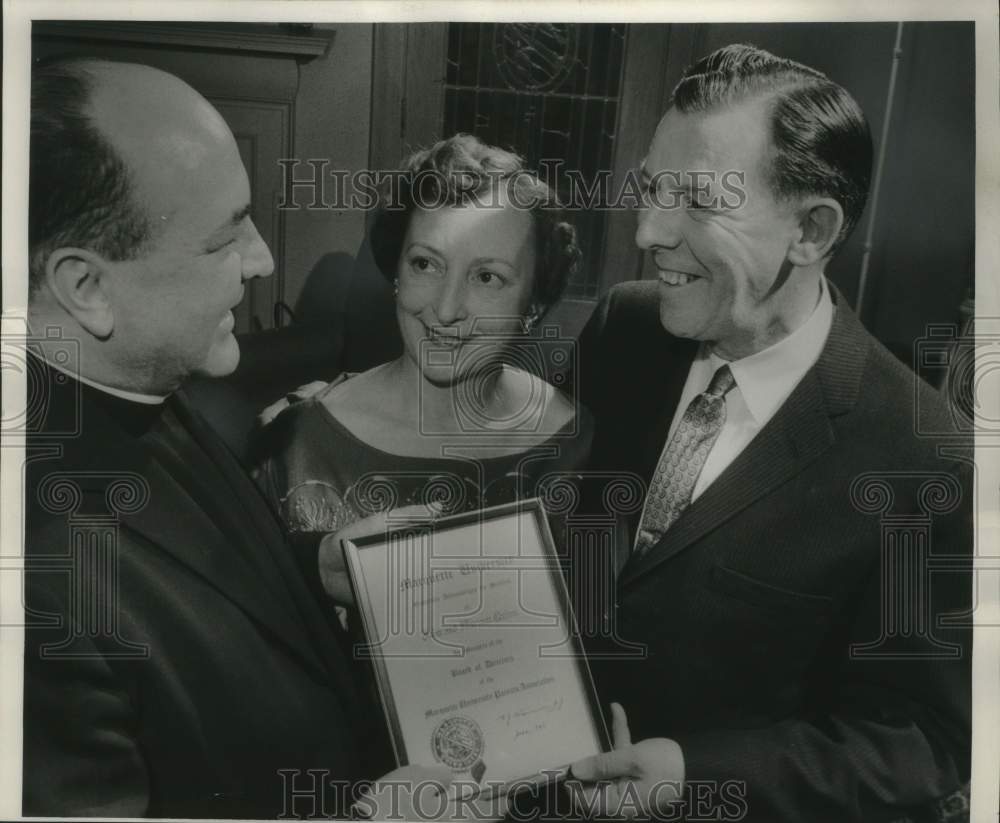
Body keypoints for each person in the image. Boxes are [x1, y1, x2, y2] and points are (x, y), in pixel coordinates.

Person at [23, 57, 454, 819]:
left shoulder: (134, 373)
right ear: (85, 288)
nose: (261, 260)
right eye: (225, 239)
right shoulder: (28, 582)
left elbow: (182, 564)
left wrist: (316, 565)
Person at [567, 44, 973, 821]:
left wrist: (696, 774)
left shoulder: (929, 460)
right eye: (652, 187)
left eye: (696, 199)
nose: (649, 230)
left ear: (812, 230)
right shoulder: (622, 327)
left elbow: (917, 745)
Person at [254, 134, 587, 611]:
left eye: (487, 276)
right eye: (426, 264)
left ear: (533, 302)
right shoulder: (297, 443)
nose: (446, 309)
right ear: (395, 273)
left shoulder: (577, 447)